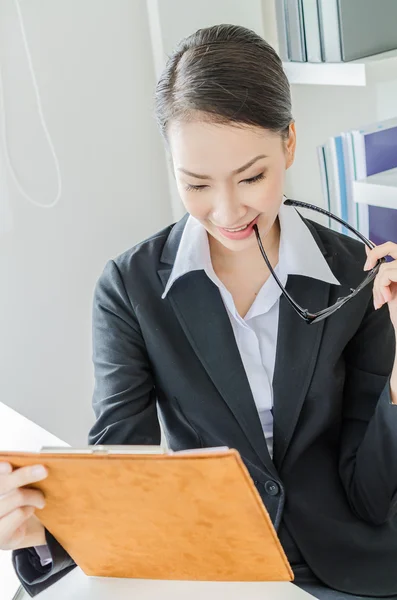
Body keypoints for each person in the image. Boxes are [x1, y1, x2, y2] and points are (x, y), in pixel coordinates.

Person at [1, 24, 397, 600]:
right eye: (196, 184)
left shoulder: (352, 276)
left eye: (252, 177)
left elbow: (370, 492)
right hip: (212, 568)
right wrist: (42, 526)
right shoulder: (130, 289)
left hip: (347, 571)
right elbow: (122, 467)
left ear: (289, 142)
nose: (227, 210)